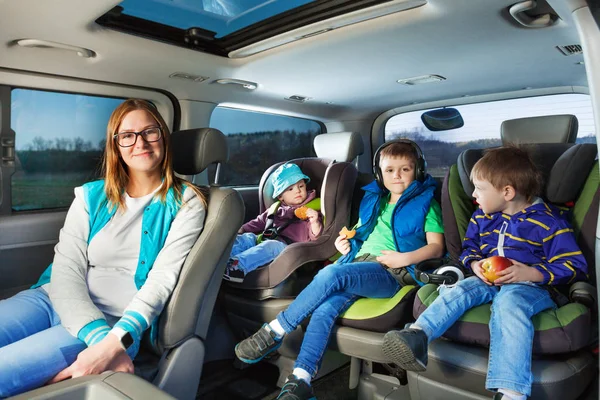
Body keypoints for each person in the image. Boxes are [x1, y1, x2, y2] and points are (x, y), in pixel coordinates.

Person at [0, 99, 207, 397]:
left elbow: (161, 281)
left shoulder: (187, 202)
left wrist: (114, 342)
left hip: (117, 323)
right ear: (116, 145)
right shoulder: (89, 196)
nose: (140, 142)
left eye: (150, 131)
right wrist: (100, 341)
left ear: (163, 135)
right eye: (127, 135)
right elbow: (66, 268)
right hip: (51, 300)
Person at [234, 140, 445, 400]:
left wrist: (404, 258)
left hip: (392, 272)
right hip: (359, 264)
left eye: (405, 169)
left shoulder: (427, 204)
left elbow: (436, 248)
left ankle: (276, 330)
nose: (397, 176)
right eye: (390, 170)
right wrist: (343, 244)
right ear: (380, 174)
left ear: (418, 171)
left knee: (331, 274)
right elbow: (358, 234)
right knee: (325, 308)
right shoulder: (374, 201)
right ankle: (301, 380)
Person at [382, 146, 587, 400]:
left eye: (479, 188)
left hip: (531, 287)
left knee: (509, 302)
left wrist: (531, 273)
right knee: (461, 290)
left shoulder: (548, 222)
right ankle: (418, 335)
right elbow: (469, 250)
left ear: (507, 192)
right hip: (486, 279)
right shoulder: (483, 217)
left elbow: (574, 265)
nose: (474, 195)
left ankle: (511, 391)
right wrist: (476, 264)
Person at [223, 162, 323, 283]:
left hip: (291, 250)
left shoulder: (313, 209)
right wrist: (241, 230)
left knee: (271, 246)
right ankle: (222, 259)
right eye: (290, 189)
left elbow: (315, 237)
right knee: (247, 237)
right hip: (266, 239)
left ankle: (236, 268)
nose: (297, 191)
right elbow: (258, 222)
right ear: (280, 196)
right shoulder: (276, 208)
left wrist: (315, 222)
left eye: (301, 186)